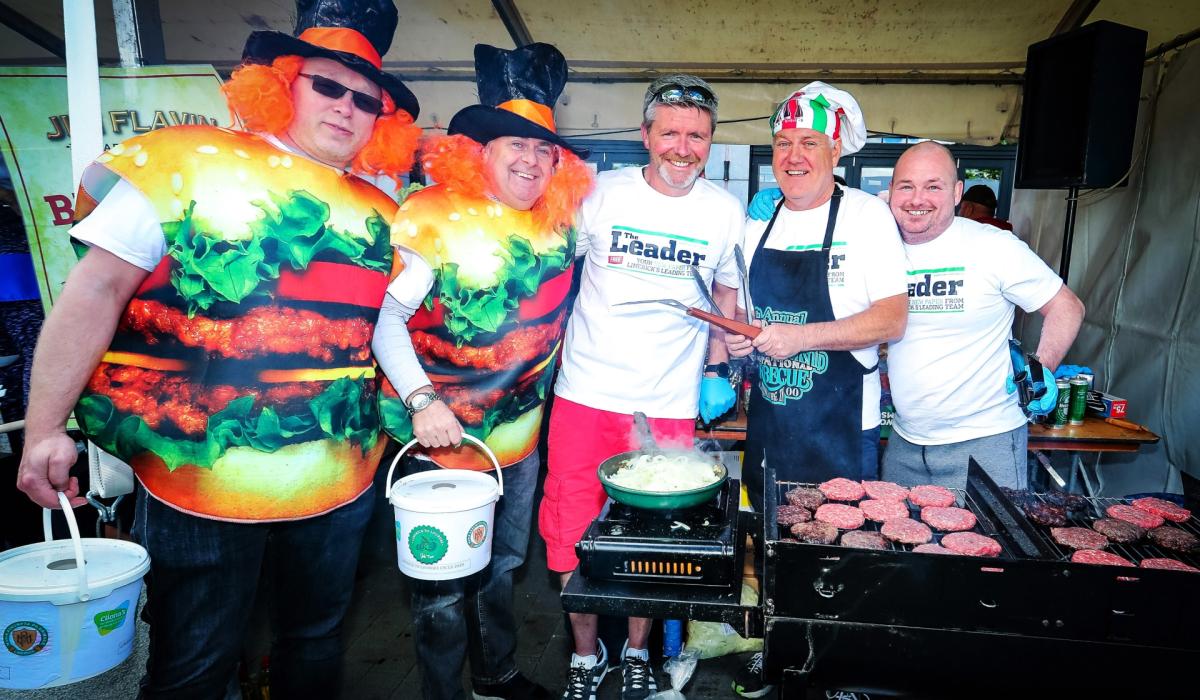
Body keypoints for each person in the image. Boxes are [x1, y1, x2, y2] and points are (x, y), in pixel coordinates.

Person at [16, 1, 421, 695]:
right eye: (327, 85)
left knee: (315, 644)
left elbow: (383, 323)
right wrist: (45, 428)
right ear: (283, 82)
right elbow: (97, 293)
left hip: (340, 480)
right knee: (195, 662)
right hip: (201, 483)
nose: (347, 107)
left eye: (366, 100)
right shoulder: (181, 164)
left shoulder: (384, 210)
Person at [371, 42, 593, 700]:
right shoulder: (429, 213)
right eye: (512, 144)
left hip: (518, 439)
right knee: (442, 580)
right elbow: (384, 320)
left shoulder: (562, 222)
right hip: (437, 435)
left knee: (502, 564)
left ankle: (496, 675)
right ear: (480, 151)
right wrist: (421, 401)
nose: (529, 160)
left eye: (542, 149)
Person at [541, 74, 741, 700]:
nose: (684, 148)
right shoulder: (600, 195)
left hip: (667, 405)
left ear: (710, 142)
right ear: (645, 135)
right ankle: (584, 654)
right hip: (585, 394)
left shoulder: (723, 211)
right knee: (569, 528)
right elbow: (550, 275)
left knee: (653, 538)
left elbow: (728, 298)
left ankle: (634, 651)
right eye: (672, 133)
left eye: (698, 137)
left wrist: (715, 367)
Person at [728, 82, 908, 699]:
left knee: (839, 552)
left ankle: (838, 667)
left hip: (837, 426)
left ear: (837, 152)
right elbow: (756, 316)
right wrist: (737, 343)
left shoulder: (866, 217)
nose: (794, 155)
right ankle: (777, 651)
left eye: (809, 142)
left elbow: (892, 319)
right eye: (783, 142)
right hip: (772, 423)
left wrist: (804, 338)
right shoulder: (761, 218)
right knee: (769, 548)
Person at [881, 141, 1084, 489]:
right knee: (903, 541)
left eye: (934, 186)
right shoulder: (878, 245)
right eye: (906, 186)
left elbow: (1066, 306)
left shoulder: (992, 246)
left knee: (994, 543)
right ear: (891, 192)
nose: (918, 199)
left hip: (986, 441)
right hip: (904, 443)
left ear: (957, 192)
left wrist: (1041, 368)